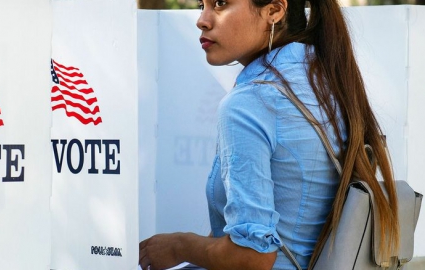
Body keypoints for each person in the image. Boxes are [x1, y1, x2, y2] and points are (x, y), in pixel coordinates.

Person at [138, 0, 401, 269]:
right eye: (201, 4)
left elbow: (252, 257)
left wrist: (179, 246)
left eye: (220, 4)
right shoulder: (326, 79)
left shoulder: (250, 103)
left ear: (273, 10)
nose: (202, 20)